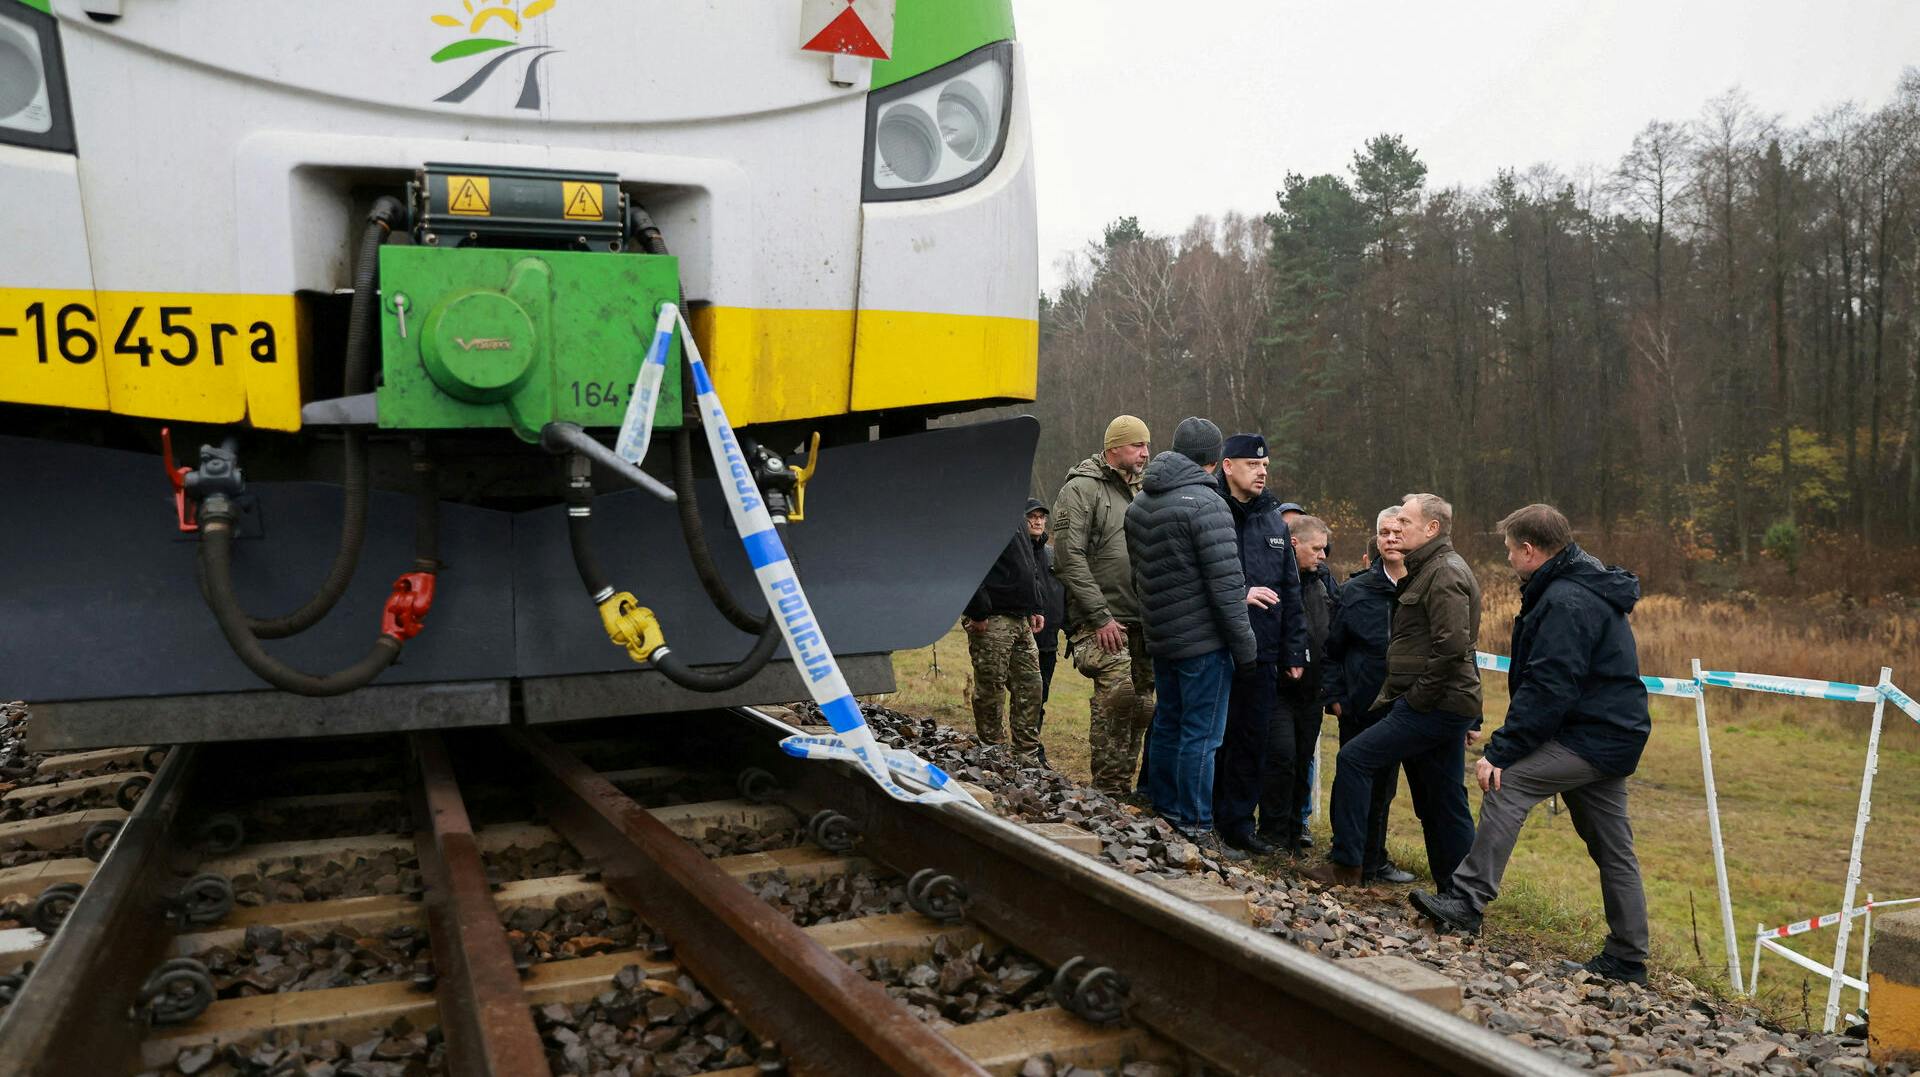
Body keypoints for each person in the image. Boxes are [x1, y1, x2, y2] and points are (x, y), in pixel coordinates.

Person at [1411, 504, 1653, 986]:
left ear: (1529, 549)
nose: (1507, 560)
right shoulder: (1577, 585)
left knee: (1507, 782)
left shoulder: (1566, 600)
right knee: (1614, 849)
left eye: (1508, 551)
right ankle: (1628, 959)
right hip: (1608, 732)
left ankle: (1466, 900)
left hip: (1593, 735)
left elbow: (1551, 685)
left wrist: (1501, 750)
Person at [1308, 492, 1481, 888]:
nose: (1396, 529)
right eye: (1392, 524)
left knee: (1356, 760)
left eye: (1404, 522)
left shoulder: (1445, 572)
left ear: (1431, 528)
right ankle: (1455, 893)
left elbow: (1455, 647)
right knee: (1439, 798)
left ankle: (1349, 866)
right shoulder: (1427, 569)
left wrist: (1417, 698)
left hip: (1431, 706)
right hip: (1423, 702)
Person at [1125, 417, 1257, 858]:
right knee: (1201, 735)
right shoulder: (1207, 505)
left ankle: (1164, 810)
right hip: (1203, 642)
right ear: (1215, 461)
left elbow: (1139, 577)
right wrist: (1246, 648)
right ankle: (1196, 825)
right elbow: (1226, 586)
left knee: (1168, 725)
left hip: (1161, 637)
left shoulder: (1141, 504)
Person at [1211, 434, 1307, 854]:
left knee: (1252, 741)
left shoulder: (1273, 519)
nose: (1262, 471)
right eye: (1252, 464)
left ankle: (1238, 825)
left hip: (1264, 651)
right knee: (1216, 738)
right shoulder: (1211, 510)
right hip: (1216, 646)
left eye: (1265, 465)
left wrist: (1293, 650)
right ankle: (1204, 818)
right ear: (1228, 466)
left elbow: (1290, 587)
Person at [1051, 416, 1155, 796]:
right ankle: (1108, 790)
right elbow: (1067, 557)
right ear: (1114, 448)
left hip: (1143, 620)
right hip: (1101, 621)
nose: (1145, 453)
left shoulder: (1146, 492)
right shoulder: (1081, 489)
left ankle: (1124, 789)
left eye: (1146, 445)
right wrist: (1099, 617)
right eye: (1136, 446)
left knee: (1144, 705)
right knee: (1118, 697)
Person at [1319, 509, 1418, 884]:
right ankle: (1346, 856)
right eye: (1384, 532)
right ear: (1376, 540)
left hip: (1406, 707)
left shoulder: (1424, 588)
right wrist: (1336, 694)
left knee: (1385, 789)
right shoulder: (1354, 591)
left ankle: (1375, 860)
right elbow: (1333, 648)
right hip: (1360, 704)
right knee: (1353, 782)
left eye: (1397, 531)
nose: (1391, 538)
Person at [1261, 514, 1335, 854]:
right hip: (1279, 690)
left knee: (1303, 759)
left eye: (1324, 549)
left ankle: (1294, 831)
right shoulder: (1274, 579)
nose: (1322, 556)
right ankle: (1272, 833)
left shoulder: (1321, 583)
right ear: (1295, 544)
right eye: (1316, 548)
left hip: (1313, 693)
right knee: (1281, 758)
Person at [961, 508, 1046, 763]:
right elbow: (968, 561)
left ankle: (1026, 756)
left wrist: (1035, 605)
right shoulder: (980, 511)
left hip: (1020, 618)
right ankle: (993, 754)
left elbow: (1027, 563)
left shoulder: (1014, 513)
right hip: (992, 617)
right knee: (991, 688)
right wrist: (978, 610)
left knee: (1031, 686)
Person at [1027, 497, 1067, 735]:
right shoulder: (1015, 551)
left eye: (1041, 517)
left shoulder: (1051, 555)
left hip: (1049, 639)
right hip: (1021, 635)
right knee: (1023, 694)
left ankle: (1033, 744)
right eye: (1032, 516)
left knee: (1041, 695)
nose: (1037, 521)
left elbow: (1063, 591)